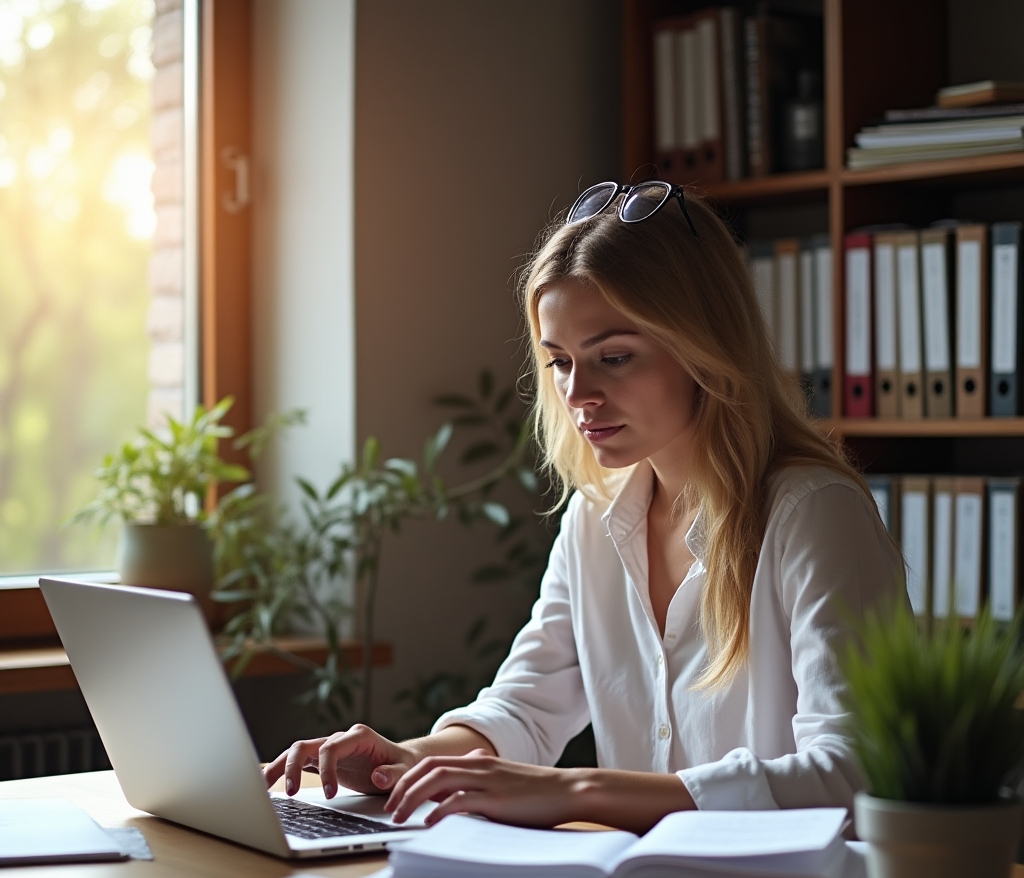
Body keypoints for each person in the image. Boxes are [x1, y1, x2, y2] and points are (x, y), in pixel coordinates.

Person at [263, 181, 907, 835]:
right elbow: (525, 709)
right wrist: (406, 761)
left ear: (705, 351)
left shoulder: (814, 515)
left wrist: (577, 791)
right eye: (561, 362)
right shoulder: (596, 519)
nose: (579, 394)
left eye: (615, 358)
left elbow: (852, 773)